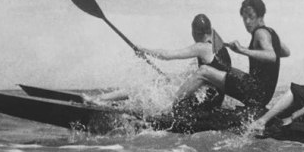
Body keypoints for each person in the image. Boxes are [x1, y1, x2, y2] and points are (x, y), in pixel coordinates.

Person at [84, 14, 230, 112]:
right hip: (214, 101)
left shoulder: (201, 47)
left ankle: (102, 100)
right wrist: (174, 80)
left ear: (195, 32)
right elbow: (198, 75)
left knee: (149, 88)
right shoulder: (219, 44)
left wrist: (144, 50)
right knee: (163, 84)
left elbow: (168, 55)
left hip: (204, 104)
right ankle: (105, 100)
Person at [174, 0, 291, 111]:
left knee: (204, 71)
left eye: (251, 17)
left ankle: (171, 104)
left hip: (256, 92)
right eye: (244, 18)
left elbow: (272, 56)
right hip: (263, 95)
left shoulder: (260, 33)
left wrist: (242, 50)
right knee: (223, 71)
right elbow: (285, 52)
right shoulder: (271, 32)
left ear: (260, 15)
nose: (247, 22)